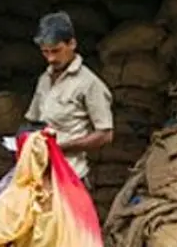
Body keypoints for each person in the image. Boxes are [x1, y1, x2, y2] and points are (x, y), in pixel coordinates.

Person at [25, 11, 114, 188]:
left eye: (56, 51)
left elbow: (105, 135)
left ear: (72, 44)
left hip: (71, 177)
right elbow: (33, 121)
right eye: (45, 52)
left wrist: (60, 148)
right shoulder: (44, 79)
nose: (51, 58)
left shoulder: (89, 84)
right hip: (42, 174)